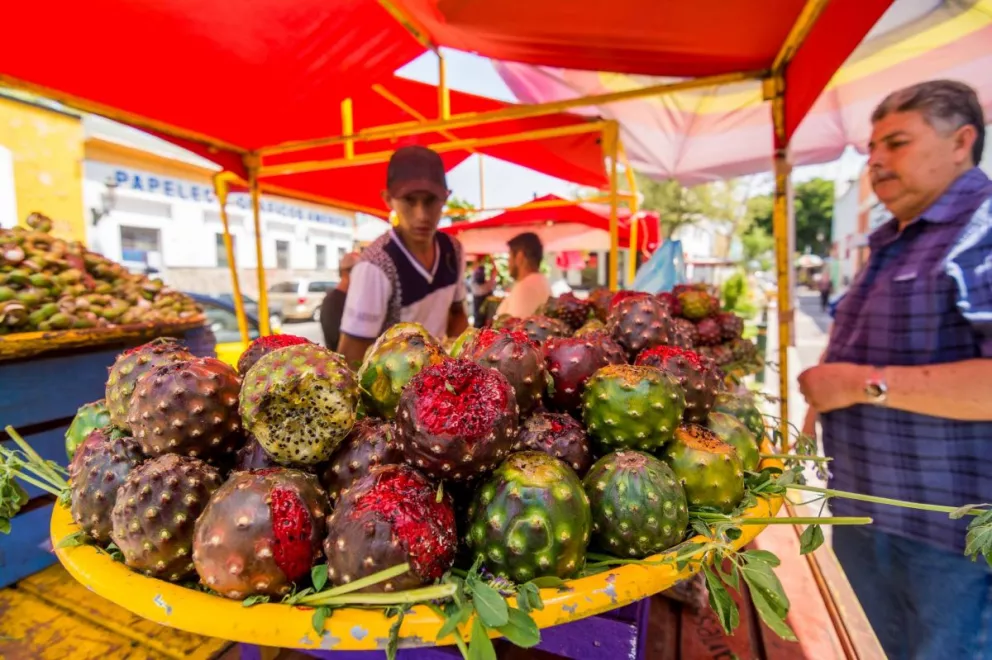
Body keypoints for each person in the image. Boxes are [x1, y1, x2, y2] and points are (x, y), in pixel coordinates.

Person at [798, 80, 992, 659]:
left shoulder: (980, 234)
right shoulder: (894, 240)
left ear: (962, 142)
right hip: (868, 519)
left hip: (951, 544)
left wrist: (864, 385)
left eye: (897, 143)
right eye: (872, 147)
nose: (876, 161)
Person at [337, 145, 469, 365]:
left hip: (442, 377)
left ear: (445, 197)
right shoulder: (375, 267)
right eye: (409, 200)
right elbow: (352, 354)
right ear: (388, 199)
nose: (422, 215)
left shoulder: (453, 250)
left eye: (430, 201)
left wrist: (458, 359)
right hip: (395, 389)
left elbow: (457, 313)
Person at [495, 232, 551, 318]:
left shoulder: (526, 287)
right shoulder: (540, 281)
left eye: (510, 256)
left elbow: (514, 327)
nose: (508, 263)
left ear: (519, 256)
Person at [319, 251, 359, 350]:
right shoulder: (332, 301)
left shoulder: (352, 297)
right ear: (345, 272)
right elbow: (336, 338)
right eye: (360, 271)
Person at [470, 256, 498, 328]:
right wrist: (492, 260)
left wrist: (477, 259)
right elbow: (494, 272)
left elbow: (473, 270)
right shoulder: (487, 286)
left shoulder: (474, 286)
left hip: (478, 321)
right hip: (487, 321)